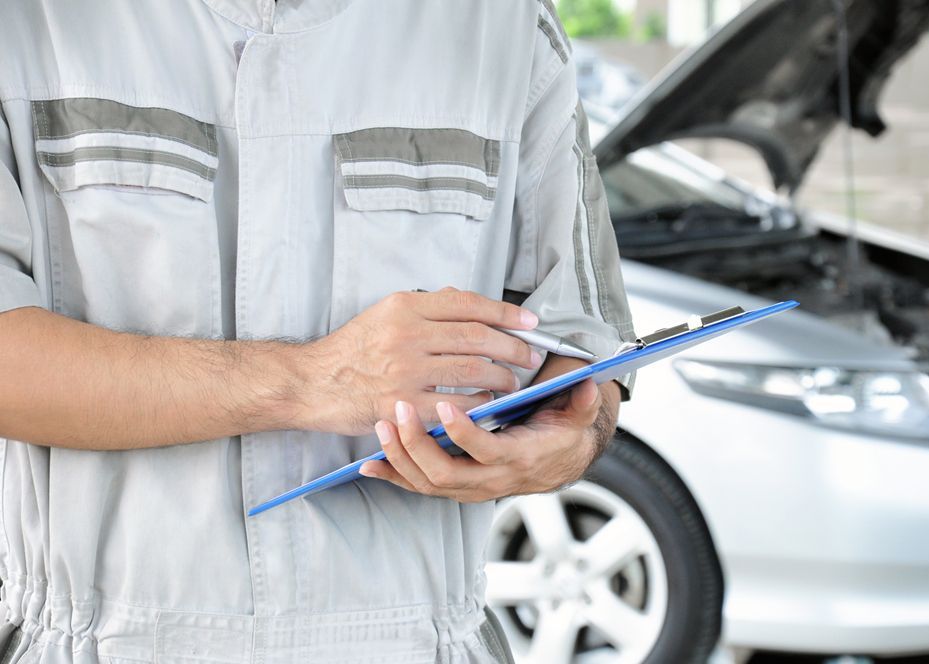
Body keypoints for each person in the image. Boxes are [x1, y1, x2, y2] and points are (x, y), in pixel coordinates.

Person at [0, 1, 635, 662]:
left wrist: (567, 443)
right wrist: (312, 379)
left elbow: (582, 346)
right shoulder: (26, 21)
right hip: (94, 642)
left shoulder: (504, 25)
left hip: (421, 641)